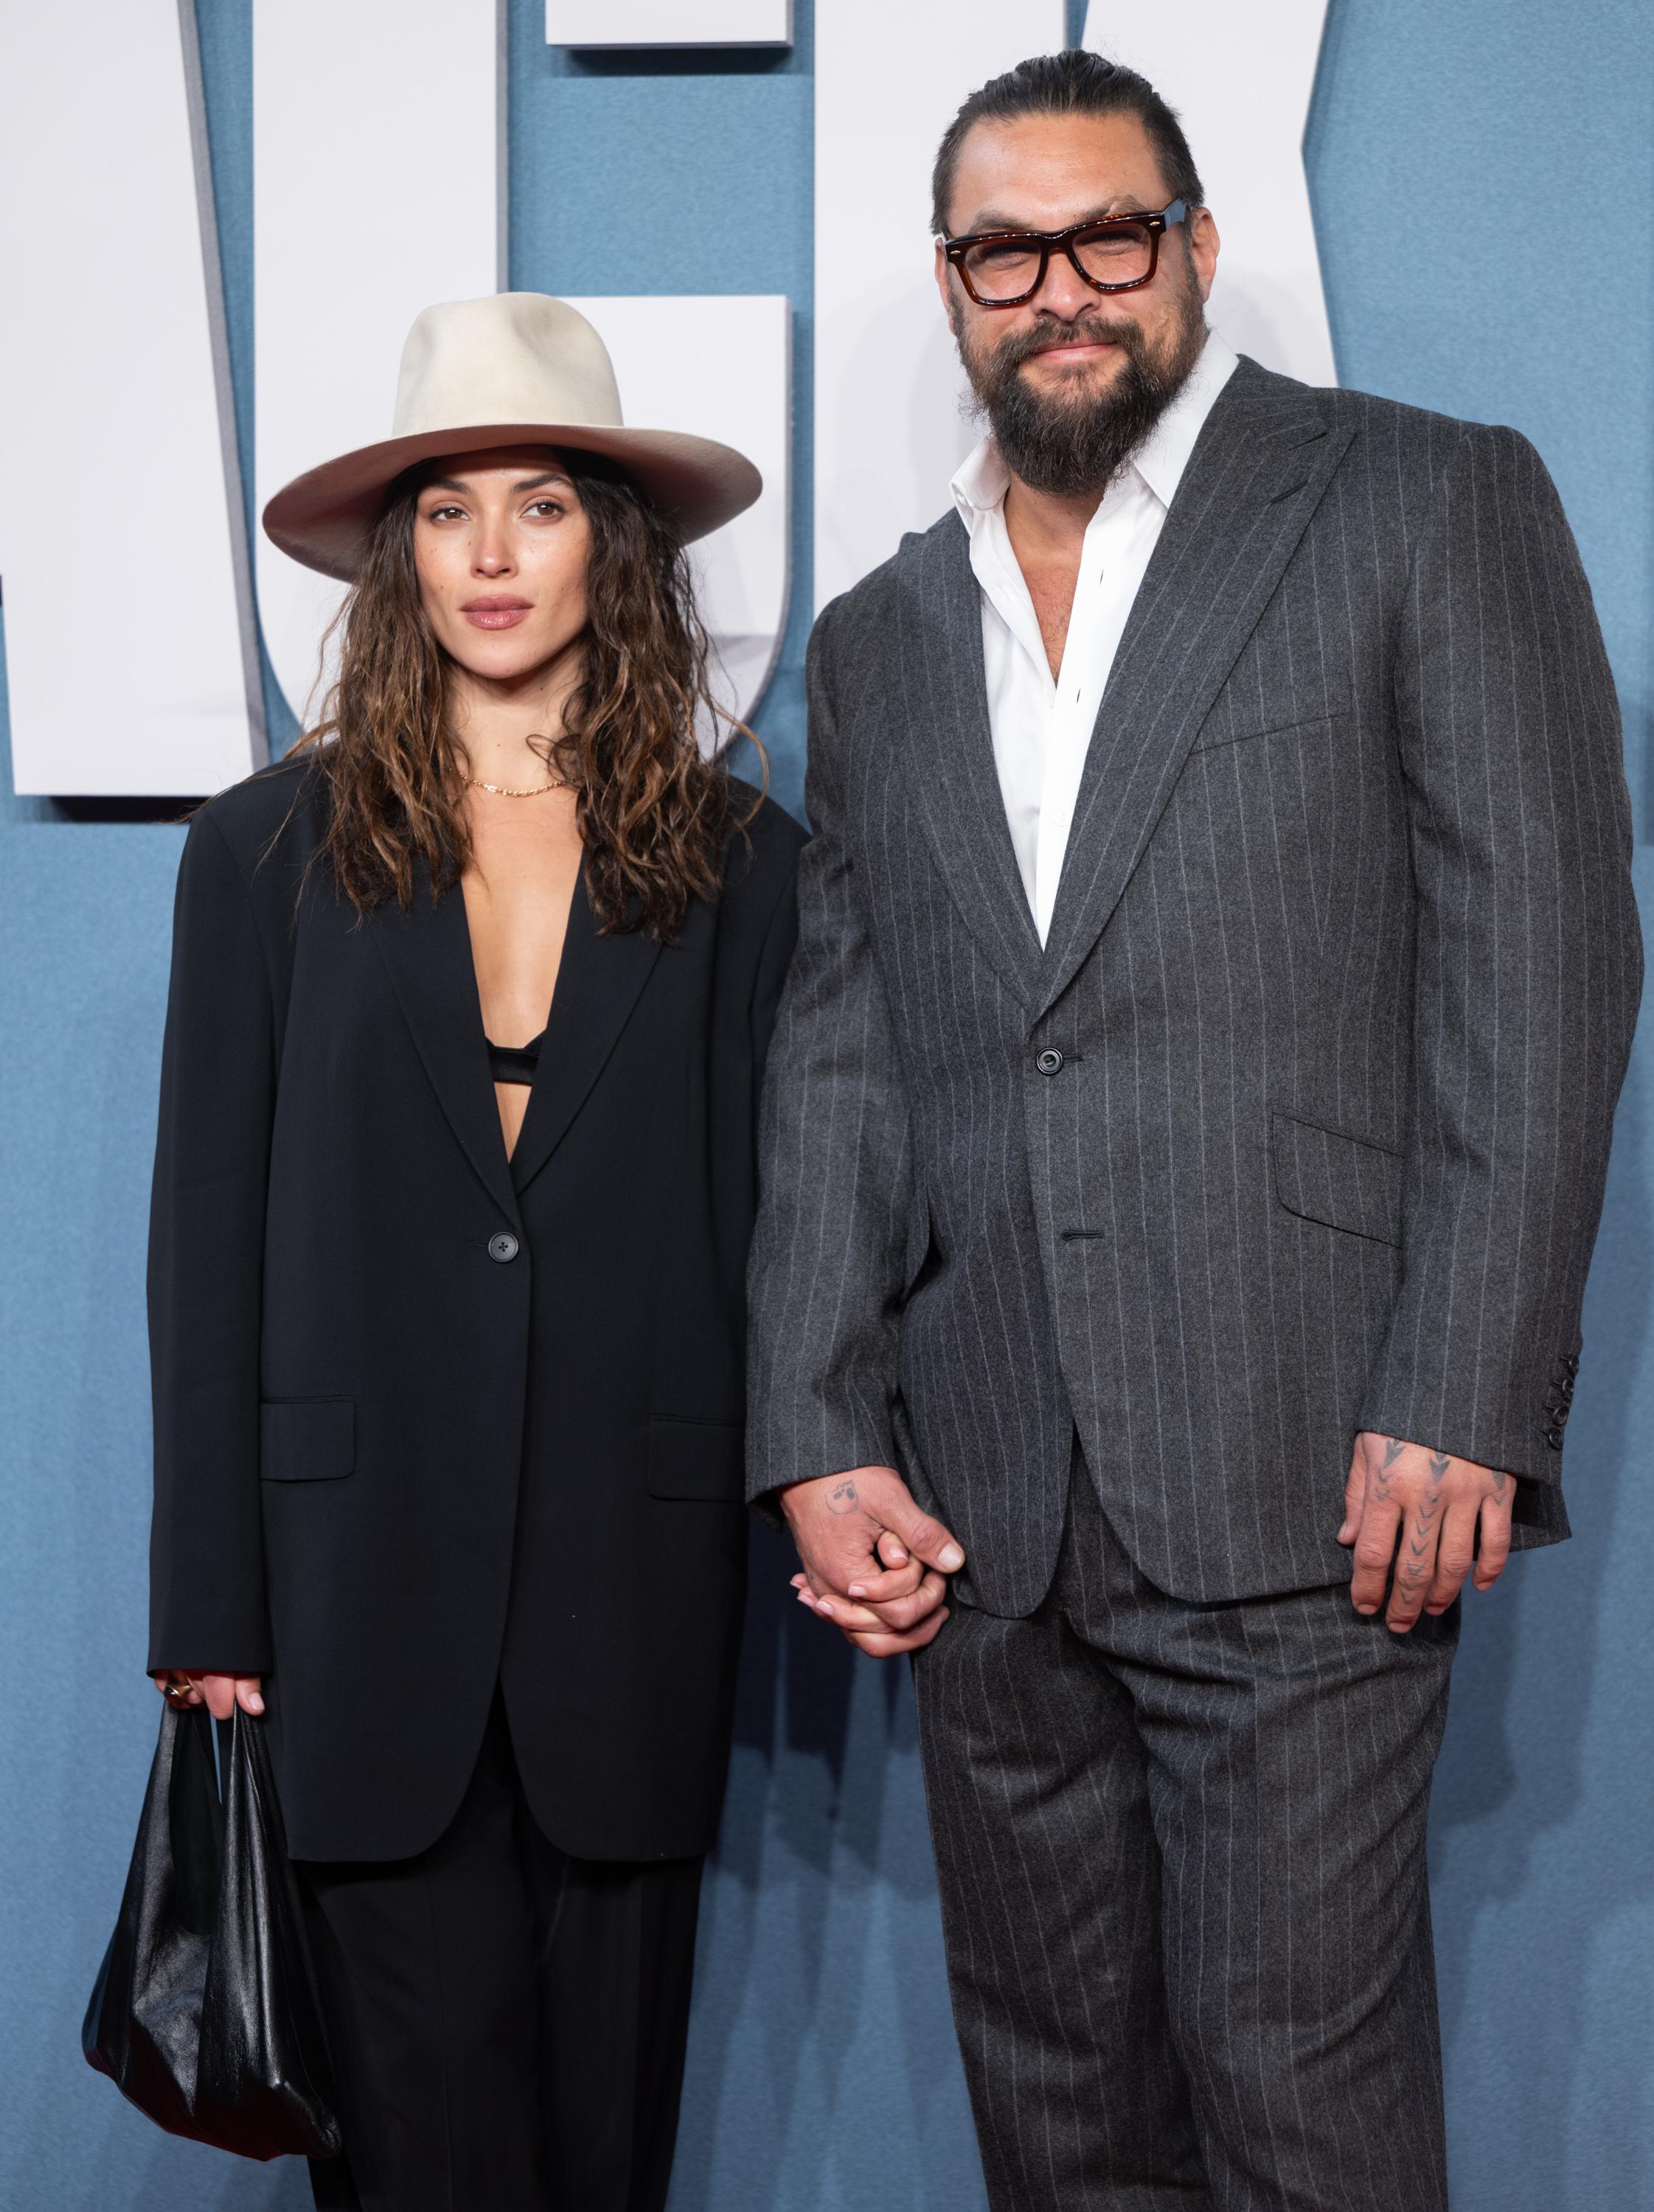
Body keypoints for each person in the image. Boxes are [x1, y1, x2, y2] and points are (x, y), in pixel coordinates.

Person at [748, 50, 1640, 2212]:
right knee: (1058, 2126)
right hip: (981, 1513)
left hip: (1317, 1473)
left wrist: (1461, 1394)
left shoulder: (1421, 499)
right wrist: (812, 1421)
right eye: (1001, 252)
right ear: (950, 285)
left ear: (1196, 247)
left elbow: (1544, 968)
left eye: (1106, 236)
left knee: (1300, 2128)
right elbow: (845, 1047)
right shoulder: (875, 639)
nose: (1060, 290)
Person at [146, 291, 804, 2212]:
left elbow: (791, 1217)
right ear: (394, 553)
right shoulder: (262, 854)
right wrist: (210, 1606)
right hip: (349, 1605)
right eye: (447, 510)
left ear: (618, 540)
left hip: (635, 1583)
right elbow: (208, 1230)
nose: (494, 555)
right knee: (418, 2163)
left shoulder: (749, 869)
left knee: (607, 2155)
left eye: (538, 502)